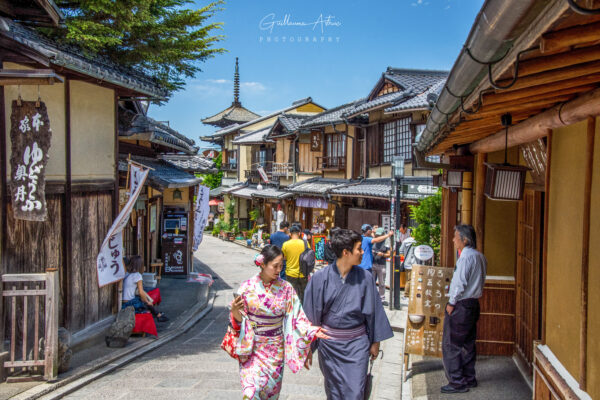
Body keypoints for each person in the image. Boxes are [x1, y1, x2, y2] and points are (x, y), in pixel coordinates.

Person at [303, 229, 394, 399]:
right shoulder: (320, 278)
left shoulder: (365, 278)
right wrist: (308, 345)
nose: (362, 252)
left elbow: (373, 312)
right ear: (346, 252)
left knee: (355, 391)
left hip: (357, 345)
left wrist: (375, 341)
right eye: (359, 249)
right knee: (334, 391)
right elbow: (311, 315)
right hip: (330, 346)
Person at [230, 245, 328, 399]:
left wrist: (311, 331)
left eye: (281, 266)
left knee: (270, 393)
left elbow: (297, 317)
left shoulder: (286, 288)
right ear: (262, 264)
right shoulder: (247, 287)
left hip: (275, 349)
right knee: (250, 392)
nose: (278, 270)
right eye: (275, 266)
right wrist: (235, 312)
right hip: (252, 346)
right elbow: (237, 322)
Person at [441, 224, 487, 394]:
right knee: (468, 343)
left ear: (465, 239)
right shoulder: (480, 257)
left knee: (451, 345)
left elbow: (460, 283)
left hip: (461, 305)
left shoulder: (466, 257)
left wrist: (451, 303)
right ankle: (469, 377)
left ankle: (457, 382)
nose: (453, 240)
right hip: (473, 304)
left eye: (456, 237)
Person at [121, 256, 168, 322]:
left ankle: (158, 314)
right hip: (129, 303)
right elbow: (141, 292)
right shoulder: (137, 275)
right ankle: (158, 315)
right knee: (146, 303)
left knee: (144, 300)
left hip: (123, 302)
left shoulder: (127, 274)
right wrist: (147, 301)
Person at [282, 225, 310, 303]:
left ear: (290, 234)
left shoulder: (286, 244)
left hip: (290, 273)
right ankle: (303, 311)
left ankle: (293, 311)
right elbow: (309, 256)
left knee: (291, 295)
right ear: (299, 233)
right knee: (304, 295)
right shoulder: (305, 243)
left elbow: (284, 258)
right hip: (303, 272)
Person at [372, 228, 390, 303]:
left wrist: (382, 254)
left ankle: (381, 298)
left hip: (381, 264)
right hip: (373, 263)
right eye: (377, 235)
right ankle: (372, 297)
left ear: (383, 235)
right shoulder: (374, 241)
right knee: (371, 281)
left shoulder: (386, 242)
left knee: (381, 282)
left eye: (379, 235)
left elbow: (389, 254)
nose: (378, 236)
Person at [399, 231, 417, 297]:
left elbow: (400, 251)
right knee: (413, 279)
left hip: (407, 263)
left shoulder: (405, 241)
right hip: (415, 263)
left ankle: (407, 293)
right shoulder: (417, 242)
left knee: (408, 279)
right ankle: (407, 294)